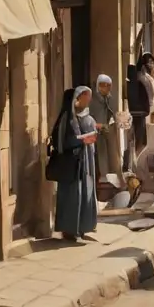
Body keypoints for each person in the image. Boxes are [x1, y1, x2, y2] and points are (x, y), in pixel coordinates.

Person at [48, 86, 99, 242]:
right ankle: (69, 229)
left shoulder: (82, 117)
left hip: (83, 162)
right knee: (72, 196)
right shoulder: (67, 119)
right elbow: (63, 142)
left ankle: (80, 227)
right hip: (71, 165)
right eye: (83, 96)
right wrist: (82, 140)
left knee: (84, 194)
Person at [88, 74, 117, 181]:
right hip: (92, 135)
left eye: (108, 85)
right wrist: (97, 125)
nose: (106, 88)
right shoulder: (91, 100)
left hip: (105, 134)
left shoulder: (108, 99)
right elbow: (86, 119)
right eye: (103, 85)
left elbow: (113, 114)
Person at [127, 53, 154, 152]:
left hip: (144, 111)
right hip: (142, 111)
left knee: (140, 138)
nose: (151, 65)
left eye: (152, 62)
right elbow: (148, 95)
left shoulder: (146, 77)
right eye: (149, 62)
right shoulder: (141, 78)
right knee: (139, 138)